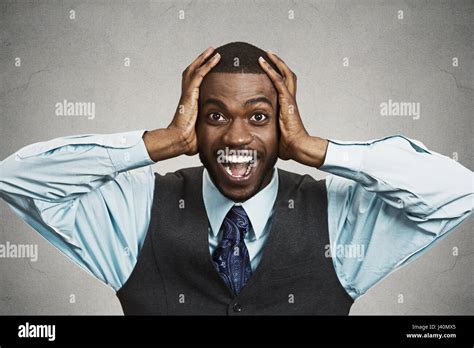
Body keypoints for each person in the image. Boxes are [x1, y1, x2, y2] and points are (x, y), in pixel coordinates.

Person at [0, 42, 472, 315]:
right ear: (193, 124)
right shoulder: (137, 211)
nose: (238, 136)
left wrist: (318, 151)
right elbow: (17, 177)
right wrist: (155, 144)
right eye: (215, 114)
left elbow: (458, 192)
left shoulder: (340, 221)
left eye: (259, 116)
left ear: (283, 124)